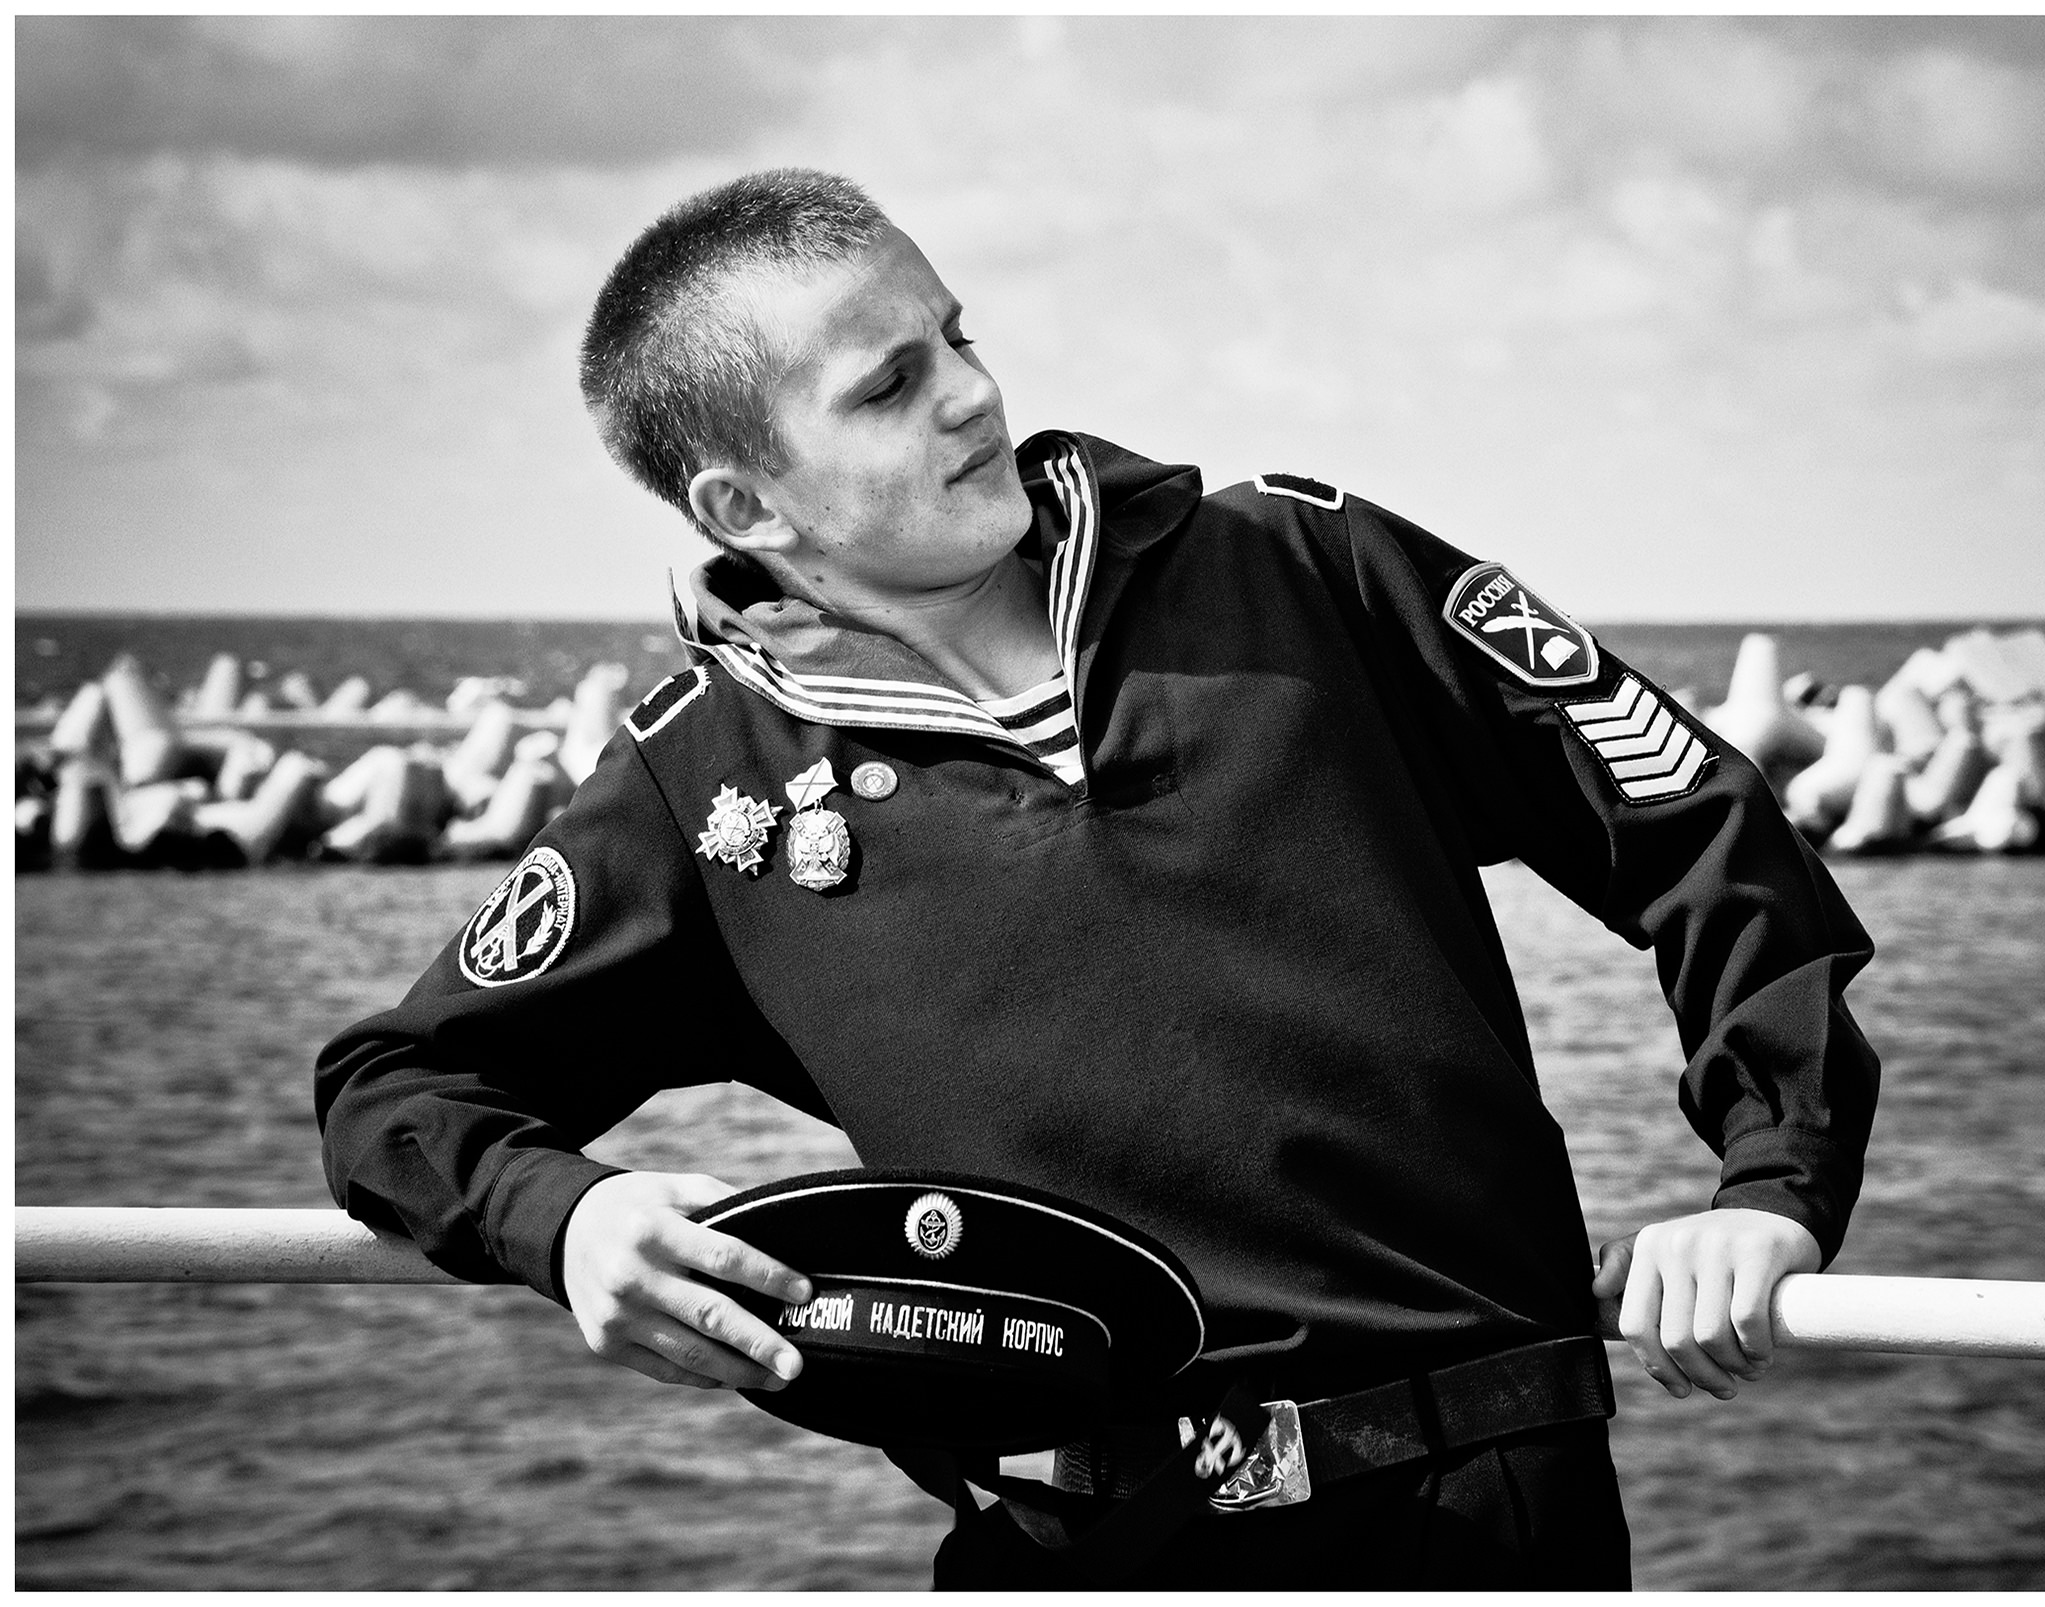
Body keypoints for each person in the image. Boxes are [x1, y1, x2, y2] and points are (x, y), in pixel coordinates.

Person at [316, 168, 1879, 1589]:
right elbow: (398, 1086)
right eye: (893, 385)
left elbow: (1691, 822)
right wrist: (569, 1223)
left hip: (1487, 1519)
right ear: (745, 506)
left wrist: (1771, 1185)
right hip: (1075, 1552)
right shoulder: (697, 787)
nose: (975, 397)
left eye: (957, 337)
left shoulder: (1306, 571)